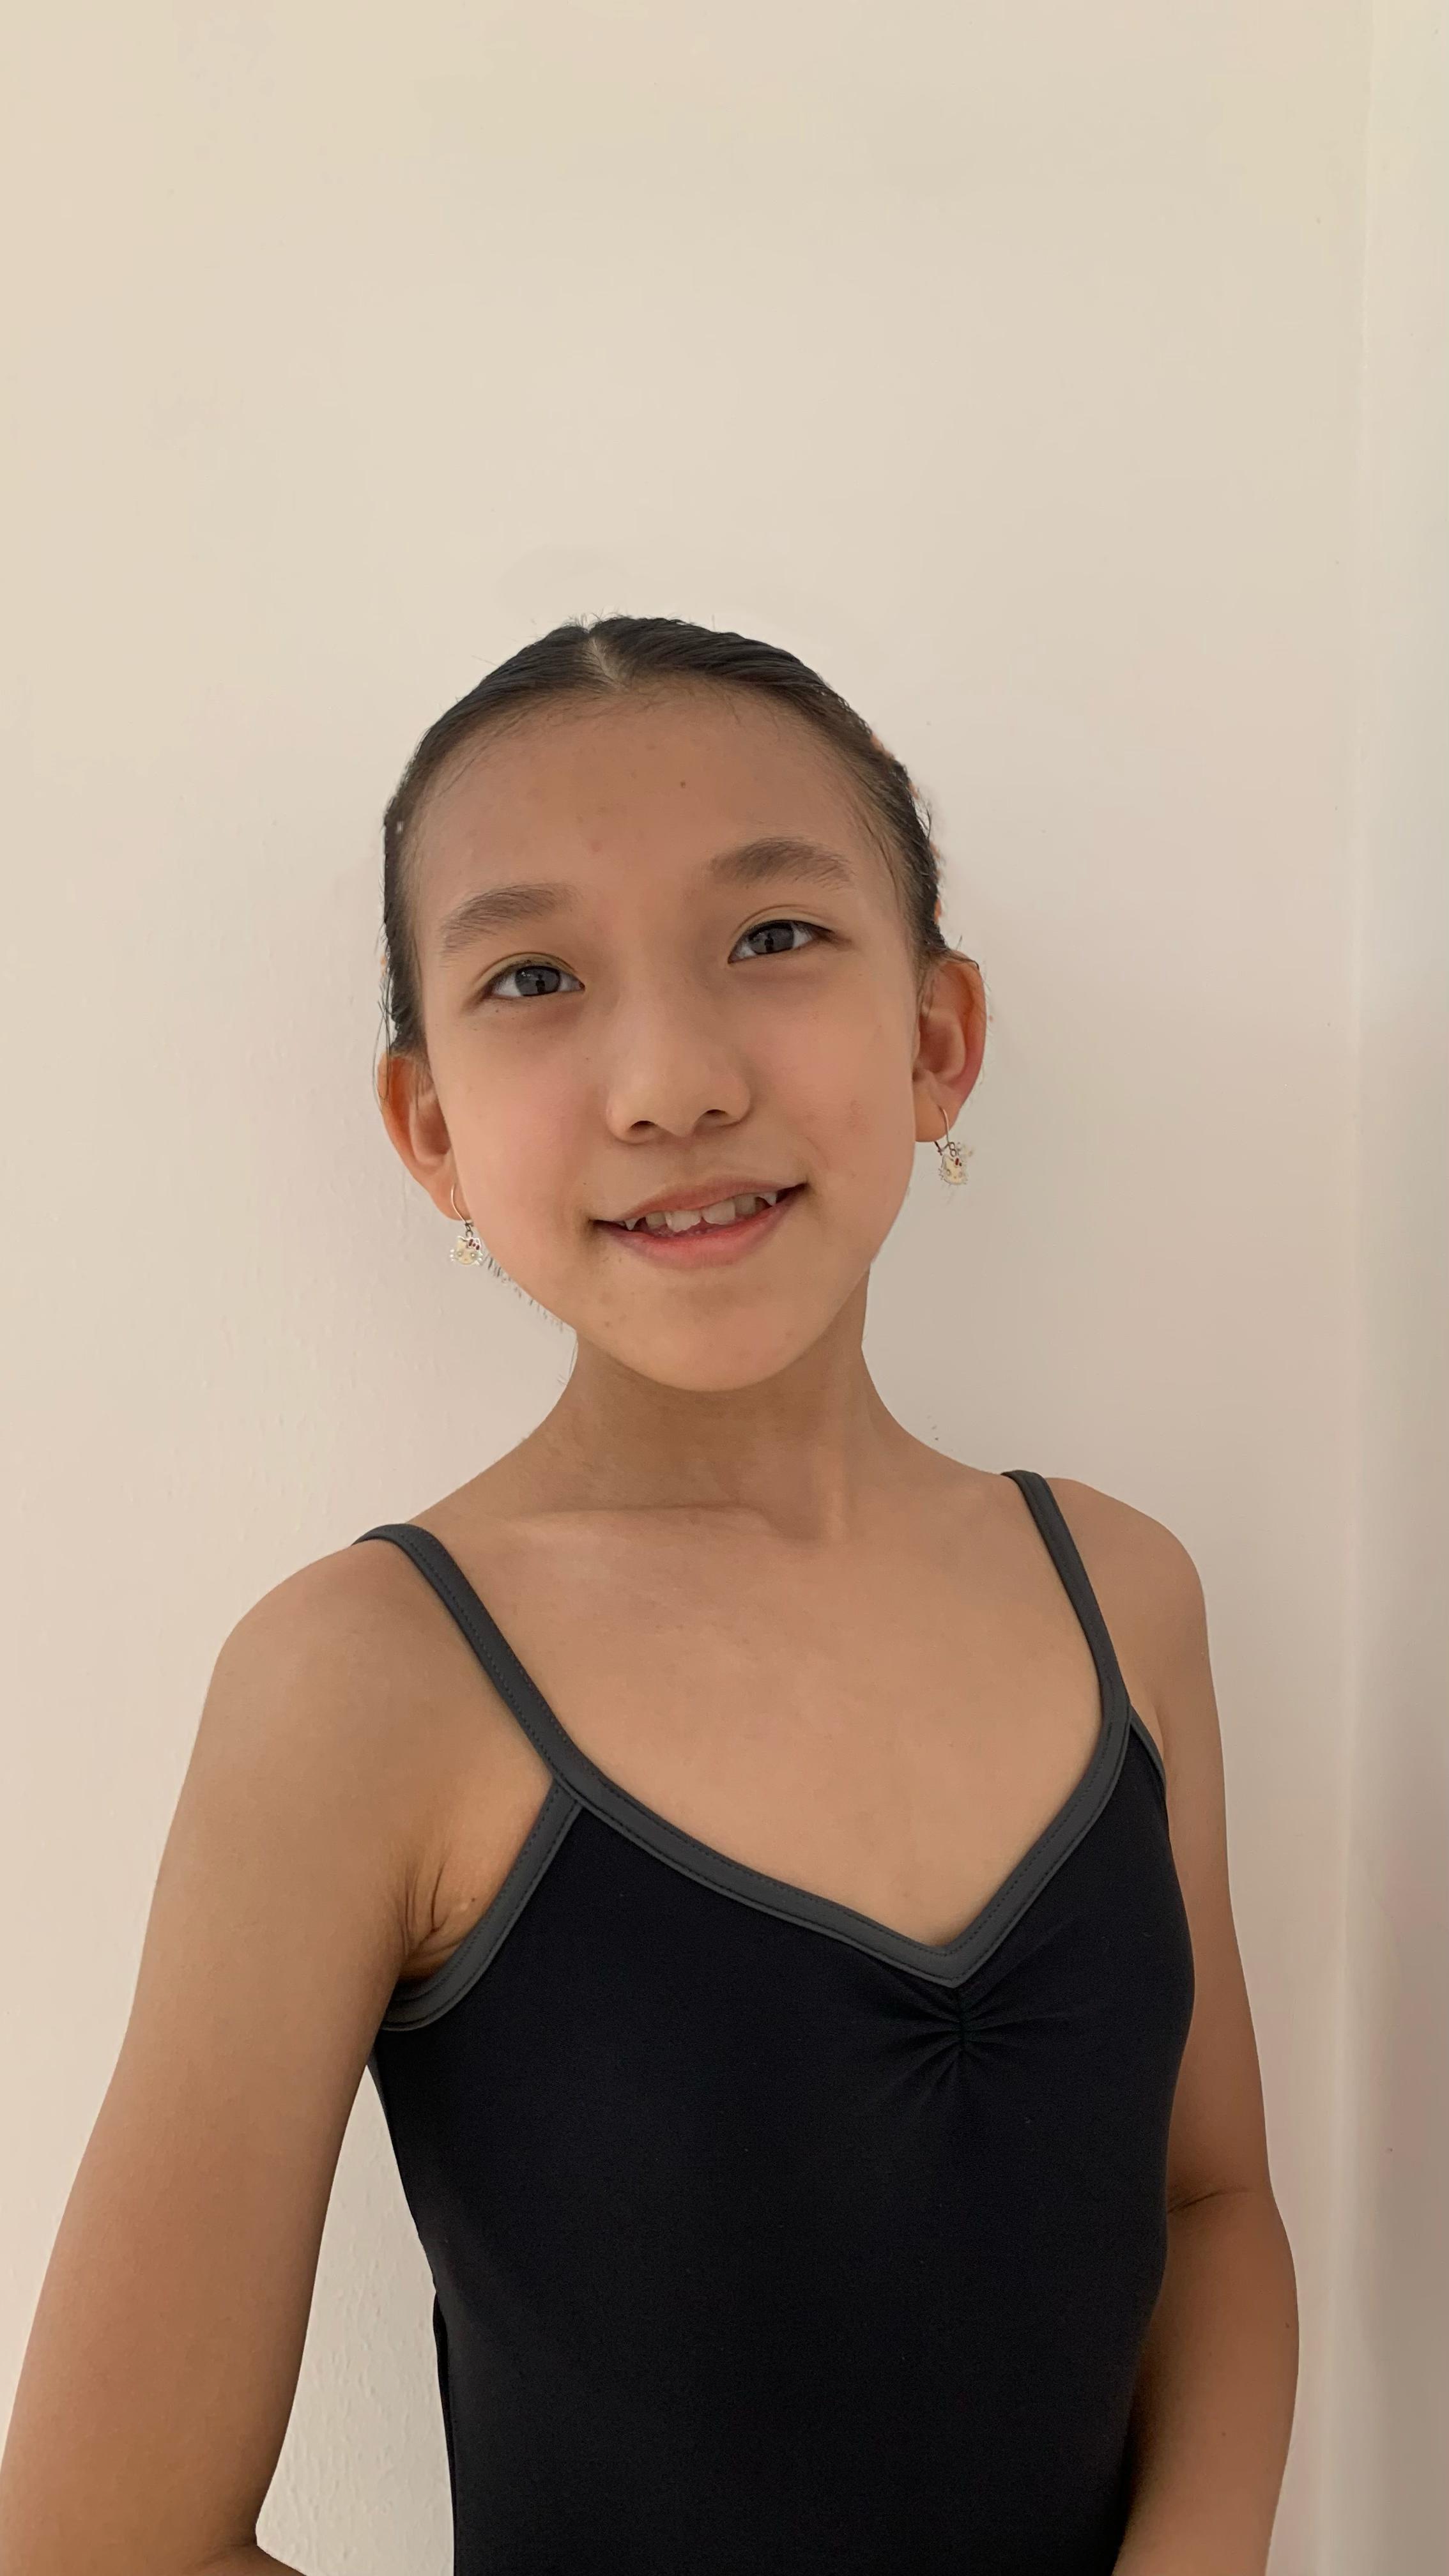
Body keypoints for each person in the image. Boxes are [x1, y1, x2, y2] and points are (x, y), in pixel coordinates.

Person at [0, 615, 1298, 2576]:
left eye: (773, 935)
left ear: (935, 1037)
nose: (673, 1081)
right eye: (532, 977)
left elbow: (1210, 2208)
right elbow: (103, 2543)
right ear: (430, 1128)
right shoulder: (364, 1683)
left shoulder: (1122, 1592)